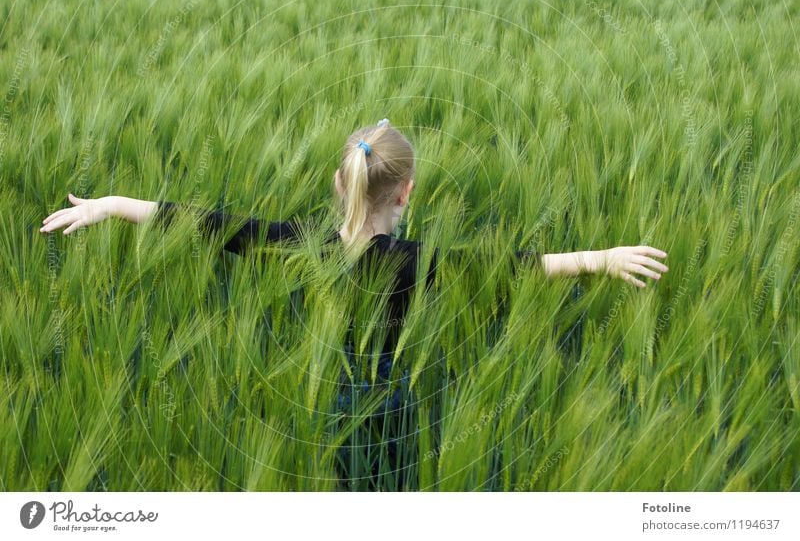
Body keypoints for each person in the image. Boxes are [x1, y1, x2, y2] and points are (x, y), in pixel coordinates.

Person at [40, 118, 669, 489]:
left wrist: (109, 206)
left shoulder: (304, 245)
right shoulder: (414, 263)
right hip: (395, 405)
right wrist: (605, 259)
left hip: (324, 401)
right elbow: (521, 269)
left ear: (342, 184)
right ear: (407, 194)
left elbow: (208, 224)